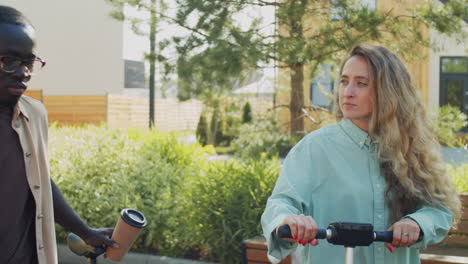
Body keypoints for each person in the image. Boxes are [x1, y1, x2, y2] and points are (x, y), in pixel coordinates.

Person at [261, 44, 461, 264]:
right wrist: (289, 219)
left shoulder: (412, 149)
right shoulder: (313, 148)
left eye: (361, 83)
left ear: (389, 91)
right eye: (344, 81)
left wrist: (416, 223)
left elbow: (439, 210)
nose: (347, 92)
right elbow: (280, 204)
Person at [0, 5, 118, 264]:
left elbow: (38, 180)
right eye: (8, 61)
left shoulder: (35, 114)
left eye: (29, 62)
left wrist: (85, 232)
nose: (23, 73)